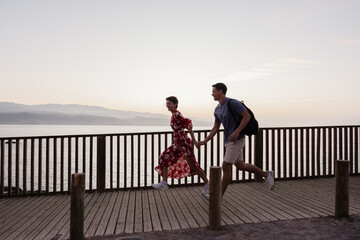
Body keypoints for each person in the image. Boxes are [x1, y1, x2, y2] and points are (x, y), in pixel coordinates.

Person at [198, 83, 274, 197]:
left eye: (214, 91)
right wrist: (205, 141)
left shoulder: (232, 103)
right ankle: (266, 174)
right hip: (228, 140)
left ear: (221, 91)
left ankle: (218, 198)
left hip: (237, 139)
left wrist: (237, 131)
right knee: (241, 166)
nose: (212, 93)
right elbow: (215, 127)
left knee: (225, 166)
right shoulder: (217, 109)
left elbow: (247, 116)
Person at [152, 96, 210, 199]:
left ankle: (207, 184)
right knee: (163, 157)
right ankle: (164, 183)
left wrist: (194, 140)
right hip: (178, 144)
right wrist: (174, 140)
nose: (167, 105)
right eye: (167, 103)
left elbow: (188, 125)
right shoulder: (173, 115)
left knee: (193, 166)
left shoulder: (178, 114)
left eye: (169, 103)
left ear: (175, 104)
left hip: (184, 144)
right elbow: (177, 130)